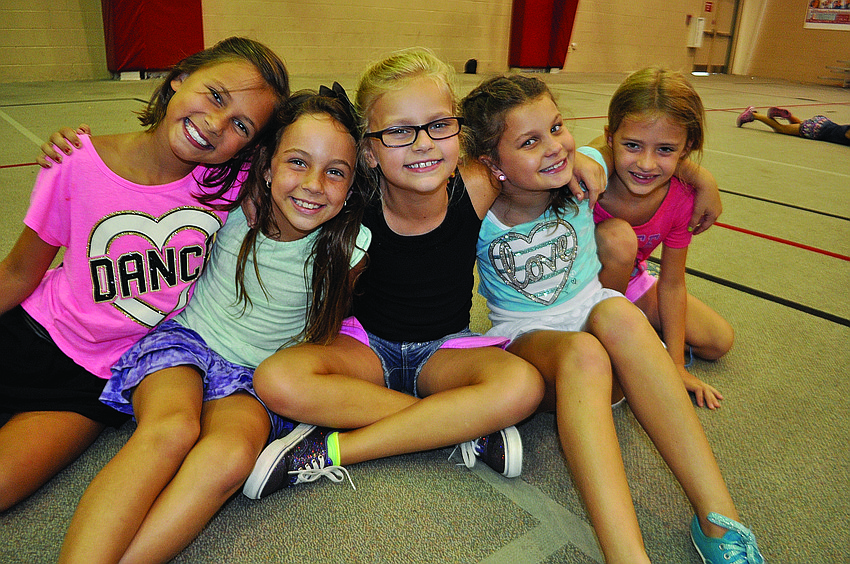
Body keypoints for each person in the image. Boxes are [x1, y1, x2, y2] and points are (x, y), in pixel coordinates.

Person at [242, 48, 606, 499]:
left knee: (521, 385)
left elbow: (548, 155)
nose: (423, 143)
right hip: (365, 347)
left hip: (445, 350)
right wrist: (251, 188)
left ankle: (335, 448)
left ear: (458, 130)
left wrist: (589, 156)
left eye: (438, 125)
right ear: (369, 152)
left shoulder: (478, 184)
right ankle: (455, 423)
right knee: (276, 378)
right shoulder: (351, 199)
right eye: (398, 131)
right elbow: (287, 165)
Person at [55, 87, 371, 564]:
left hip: (252, 379)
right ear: (265, 168)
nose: (313, 184)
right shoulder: (231, 202)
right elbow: (155, 166)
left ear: (350, 188)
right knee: (171, 430)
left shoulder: (352, 246)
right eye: (297, 162)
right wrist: (76, 147)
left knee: (229, 459)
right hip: (186, 344)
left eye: (335, 172)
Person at [461, 74, 764, 564]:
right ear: (491, 163)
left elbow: (640, 145)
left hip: (599, 329)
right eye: (530, 141)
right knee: (583, 352)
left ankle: (718, 519)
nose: (556, 148)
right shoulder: (480, 211)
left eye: (557, 128)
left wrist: (702, 178)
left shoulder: (587, 167)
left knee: (621, 312)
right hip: (531, 347)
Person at [0, 37, 288, 513]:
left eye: (241, 124)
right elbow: (16, 273)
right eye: (215, 95)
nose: (216, 124)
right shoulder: (75, 163)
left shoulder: (235, 187)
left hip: (93, 384)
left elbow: (312, 165)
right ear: (178, 78)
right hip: (32, 334)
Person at [588, 67, 733, 410]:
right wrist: (701, 175)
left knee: (718, 341)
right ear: (610, 138)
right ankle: (606, 339)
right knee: (618, 237)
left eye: (666, 149)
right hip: (574, 284)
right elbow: (587, 152)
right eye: (632, 145)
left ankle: (633, 333)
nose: (646, 163)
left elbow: (672, 284)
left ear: (686, 149)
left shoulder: (682, 198)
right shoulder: (593, 178)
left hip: (627, 282)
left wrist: (676, 365)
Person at [737, 105, 850, 146]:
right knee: (781, 129)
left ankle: (788, 116)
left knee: (799, 125)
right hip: (817, 130)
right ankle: (753, 115)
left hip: (822, 122)